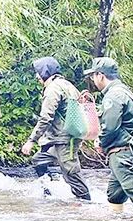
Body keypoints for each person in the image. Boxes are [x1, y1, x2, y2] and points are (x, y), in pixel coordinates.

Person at [84, 57, 133, 215]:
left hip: (122, 153)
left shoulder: (113, 96)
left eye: (93, 76)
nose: (93, 79)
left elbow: (110, 127)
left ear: (101, 75)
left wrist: (100, 143)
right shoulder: (123, 90)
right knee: (114, 196)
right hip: (125, 152)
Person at [21, 57, 91, 201]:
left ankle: (87, 205)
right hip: (65, 137)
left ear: (46, 72)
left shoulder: (53, 88)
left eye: (38, 72)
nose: (37, 76)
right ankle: (48, 192)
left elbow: (46, 117)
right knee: (39, 160)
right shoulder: (67, 85)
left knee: (72, 174)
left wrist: (31, 140)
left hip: (64, 139)